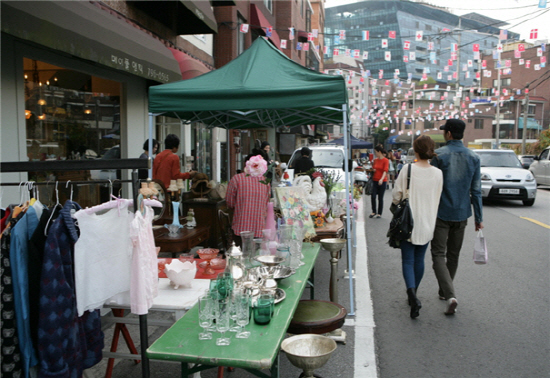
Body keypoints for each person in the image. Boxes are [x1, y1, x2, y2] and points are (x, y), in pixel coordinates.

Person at [430, 119, 483, 315]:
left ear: (449, 134)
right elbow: (476, 191)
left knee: (438, 254)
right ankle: (445, 292)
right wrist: (479, 218)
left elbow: (431, 185)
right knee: (453, 255)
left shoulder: (439, 156)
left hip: (441, 212)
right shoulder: (474, 157)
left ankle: (450, 294)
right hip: (462, 214)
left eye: (445, 131)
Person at [392, 136, 443, 318]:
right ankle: (414, 294)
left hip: (408, 222)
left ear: (415, 149)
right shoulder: (438, 173)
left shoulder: (408, 169)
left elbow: (396, 195)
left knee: (407, 260)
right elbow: (438, 196)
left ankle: (411, 293)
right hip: (428, 222)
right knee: (419, 259)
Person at [226, 152, 271, 244]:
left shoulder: (236, 179)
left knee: (241, 255)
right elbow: (266, 204)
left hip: (240, 228)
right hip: (259, 229)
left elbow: (230, 203)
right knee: (257, 256)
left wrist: (241, 206)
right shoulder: (265, 182)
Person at [369, 145, 389, 218]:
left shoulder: (386, 160)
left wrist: (381, 179)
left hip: (382, 181)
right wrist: (373, 170)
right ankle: (374, 211)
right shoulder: (375, 160)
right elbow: (374, 168)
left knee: (380, 198)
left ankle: (379, 213)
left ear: (379, 152)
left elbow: (385, 170)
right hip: (375, 180)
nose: (375, 153)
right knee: (373, 196)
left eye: (376, 152)